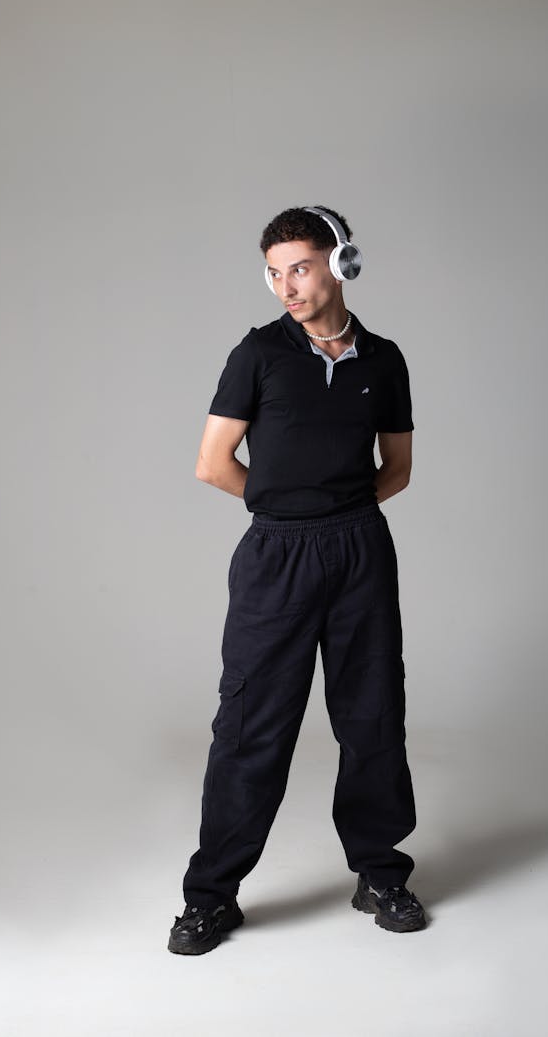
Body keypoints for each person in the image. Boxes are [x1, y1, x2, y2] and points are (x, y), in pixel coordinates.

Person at [168, 205, 426, 955]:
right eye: (275, 272)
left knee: (373, 715)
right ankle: (211, 896)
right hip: (276, 557)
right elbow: (212, 464)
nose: (287, 284)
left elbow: (399, 469)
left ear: (341, 262)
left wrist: (339, 513)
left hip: (360, 554)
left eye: (301, 267)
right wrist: (289, 509)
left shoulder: (385, 360)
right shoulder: (258, 354)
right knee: (251, 727)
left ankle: (380, 873)